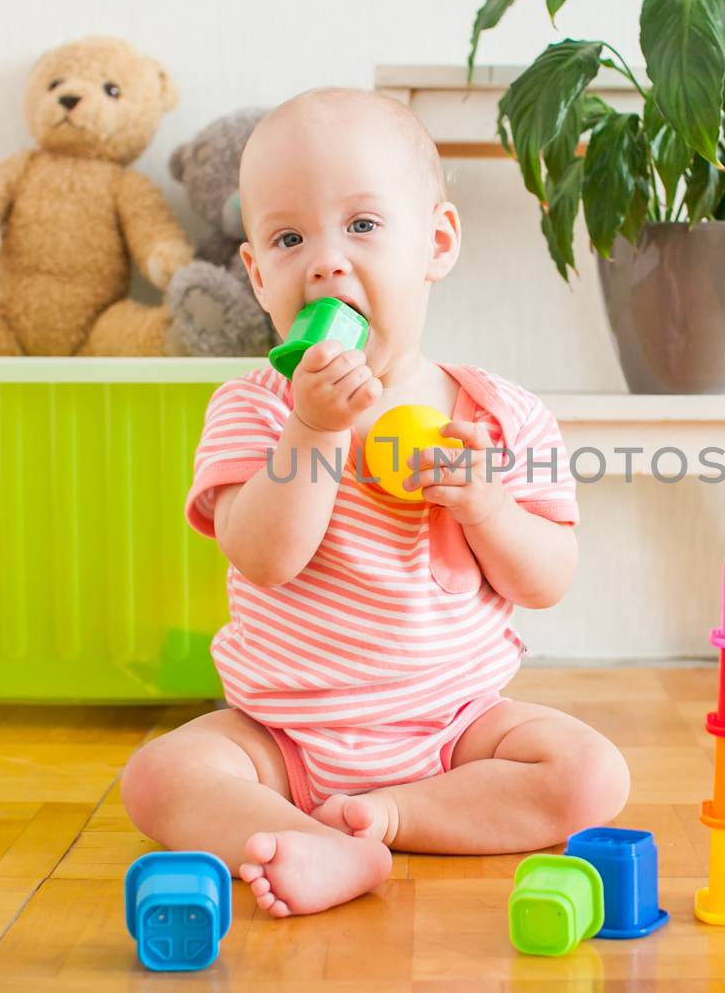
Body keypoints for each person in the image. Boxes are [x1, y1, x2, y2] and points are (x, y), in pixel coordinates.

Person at [120, 88, 630, 917]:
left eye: (361, 226)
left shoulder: (501, 416)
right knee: (158, 776)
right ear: (257, 274)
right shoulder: (253, 410)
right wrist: (314, 429)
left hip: (457, 733)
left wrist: (488, 509)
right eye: (289, 238)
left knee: (591, 773)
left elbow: (548, 578)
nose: (326, 261)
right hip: (281, 742)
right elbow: (263, 555)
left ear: (436, 241)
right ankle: (319, 842)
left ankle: (386, 821)